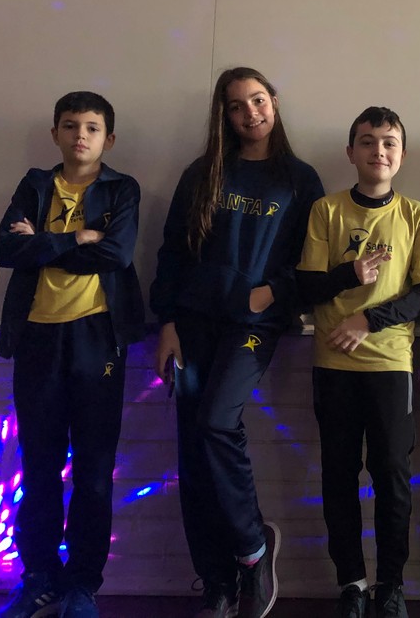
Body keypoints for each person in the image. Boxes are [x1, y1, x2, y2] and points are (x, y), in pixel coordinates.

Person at [149, 67, 324, 618]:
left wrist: (272, 293)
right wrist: (167, 322)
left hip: (253, 326)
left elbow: (313, 263)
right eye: (236, 105)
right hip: (193, 322)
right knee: (192, 449)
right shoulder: (203, 174)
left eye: (258, 100)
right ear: (223, 115)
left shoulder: (300, 179)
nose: (250, 113)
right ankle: (218, 582)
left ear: (274, 102)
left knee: (216, 422)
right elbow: (173, 251)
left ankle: (252, 544)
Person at [0, 91, 144, 618]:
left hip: (97, 337)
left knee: (94, 471)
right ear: (55, 133)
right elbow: (7, 250)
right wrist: (77, 236)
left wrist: (43, 243)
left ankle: (82, 584)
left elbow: (116, 253)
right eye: (71, 125)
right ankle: (39, 578)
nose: (81, 135)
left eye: (92, 128)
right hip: (36, 336)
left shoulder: (122, 189)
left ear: (109, 139)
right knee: (39, 467)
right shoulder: (35, 184)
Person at [296, 106, 420, 618]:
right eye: (367, 141)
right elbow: (307, 285)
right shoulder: (326, 210)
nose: (378, 151)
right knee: (338, 475)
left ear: (401, 154)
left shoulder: (416, 215)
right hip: (333, 365)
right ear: (350, 152)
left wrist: (370, 319)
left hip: (391, 366)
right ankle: (352, 584)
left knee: (392, 477)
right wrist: (349, 274)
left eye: (388, 142)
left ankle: (391, 585)